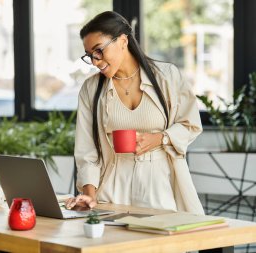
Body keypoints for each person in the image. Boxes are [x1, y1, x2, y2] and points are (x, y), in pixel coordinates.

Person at [65, 11, 204, 214]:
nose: (95, 61)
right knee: (114, 244)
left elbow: (190, 124)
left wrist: (159, 138)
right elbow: (87, 152)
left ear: (122, 41)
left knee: (161, 244)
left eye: (99, 51)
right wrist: (89, 194)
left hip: (159, 184)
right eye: (89, 55)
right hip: (112, 186)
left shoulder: (166, 76)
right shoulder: (91, 89)